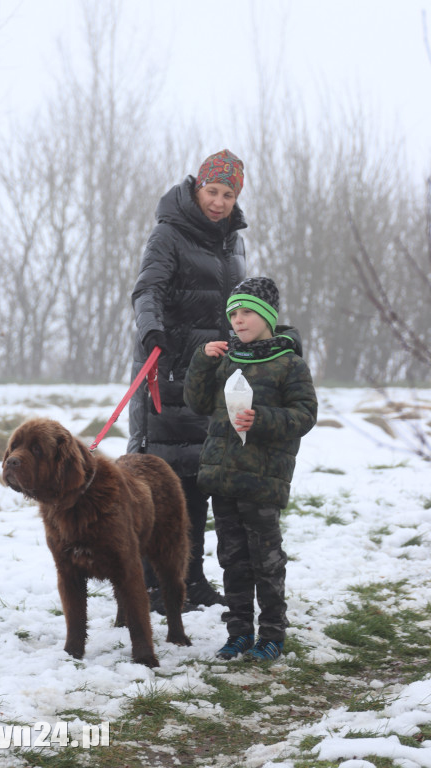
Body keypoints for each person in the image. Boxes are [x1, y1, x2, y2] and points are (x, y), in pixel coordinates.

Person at [127, 149, 247, 611]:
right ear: (197, 187)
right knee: (164, 478)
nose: (218, 202)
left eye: (228, 194)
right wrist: (151, 329)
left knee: (199, 478)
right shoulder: (168, 233)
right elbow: (148, 288)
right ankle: (154, 583)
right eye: (212, 191)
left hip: (214, 375)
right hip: (169, 367)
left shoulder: (233, 241)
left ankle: (190, 578)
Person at [183, 277, 318, 660]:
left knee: (266, 560)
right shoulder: (227, 357)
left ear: (267, 316)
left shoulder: (289, 363)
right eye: (233, 315)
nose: (238, 321)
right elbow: (197, 403)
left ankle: (272, 634)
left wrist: (262, 419)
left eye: (246, 312)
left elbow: (304, 414)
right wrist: (200, 361)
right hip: (223, 477)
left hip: (262, 480)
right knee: (233, 560)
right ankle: (239, 631)